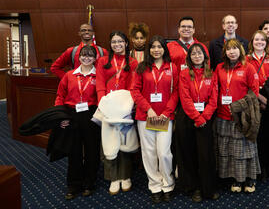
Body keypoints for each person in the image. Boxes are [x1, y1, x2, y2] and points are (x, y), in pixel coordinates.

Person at [131, 35, 178, 203]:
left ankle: (168, 183)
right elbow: (135, 91)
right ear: (148, 49)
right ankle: (155, 185)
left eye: (159, 46)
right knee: (149, 153)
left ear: (164, 49)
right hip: (146, 116)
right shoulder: (142, 67)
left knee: (164, 153)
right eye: (153, 47)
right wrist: (148, 109)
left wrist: (166, 112)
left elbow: (176, 92)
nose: (156, 49)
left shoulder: (172, 67)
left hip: (165, 116)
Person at [54, 45, 101, 199]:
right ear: (79, 57)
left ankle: (89, 183)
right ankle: (74, 184)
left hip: (91, 115)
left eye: (90, 56)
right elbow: (60, 96)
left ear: (95, 58)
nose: (86, 58)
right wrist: (61, 116)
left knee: (91, 151)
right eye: (83, 55)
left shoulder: (98, 76)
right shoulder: (69, 75)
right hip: (72, 115)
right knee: (73, 151)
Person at [96, 31, 138, 195]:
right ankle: (113, 178)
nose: (117, 45)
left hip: (124, 107)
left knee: (125, 140)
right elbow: (99, 83)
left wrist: (127, 107)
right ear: (110, 44)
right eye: (114, 42)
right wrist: (103, 104)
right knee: (108, 142)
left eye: (120, 41)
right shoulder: (102, 61)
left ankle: (125, 176)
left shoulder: (132, 62)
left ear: (126, 43)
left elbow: (133, 86)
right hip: (106, 106)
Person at [215, 39, 260, 193]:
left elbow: (254, 93)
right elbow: (215, 89)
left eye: (235, 49)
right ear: (225, 52)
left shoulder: (249, 67)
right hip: (223, 116)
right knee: (229, 150)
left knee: (244, 150)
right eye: (228, 49)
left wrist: (236, 107)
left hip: (242, 116)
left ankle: (250, 179)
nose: (232, 52)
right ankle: (235, 179)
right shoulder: (219, 68)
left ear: (240, 50)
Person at [176, 43, 219, 202]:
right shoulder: (184, 74)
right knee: (190, 153)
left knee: (206, 155)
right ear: (189, 58)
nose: (196, 56)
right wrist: (196, 117)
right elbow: (185, 98)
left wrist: (204, 117)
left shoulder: (212, 74)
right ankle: (194, 188)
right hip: (188, 118)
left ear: (205, 56)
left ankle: (208, 188)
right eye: (193, 54)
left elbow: (214, 100)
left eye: (199, 53)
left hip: (206, 119)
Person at [246, 31, 269, 181]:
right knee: (258, 137)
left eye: (263, 40)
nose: (260, 42)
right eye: (257, 39)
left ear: (266, 43)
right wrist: (260, 99)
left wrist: (268, 101)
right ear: (252, 42)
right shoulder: (246, 59)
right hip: (254, 100)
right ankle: (260, 168)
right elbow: (246, 84)